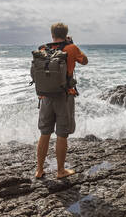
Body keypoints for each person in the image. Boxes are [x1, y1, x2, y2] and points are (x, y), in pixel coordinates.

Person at [35, 22, 88, 179]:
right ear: (66, 34)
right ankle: (60, 171)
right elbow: (85, 61)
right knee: (62, 134)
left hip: (45, 96)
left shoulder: (43, 49)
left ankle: (39, 170)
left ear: (52, 35)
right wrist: (71, 44)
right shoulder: (71, 48)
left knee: (44, 133)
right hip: (64, 96)